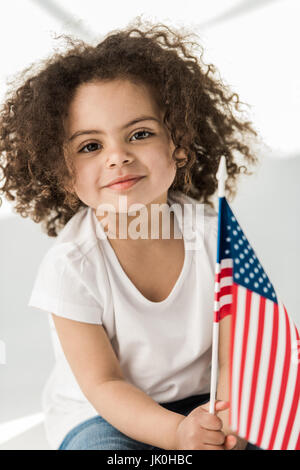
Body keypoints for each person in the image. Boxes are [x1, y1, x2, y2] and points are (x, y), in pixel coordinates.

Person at [0, 18, 261, 450]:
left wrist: (227, 415)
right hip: (103, 415)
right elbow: (102, 383)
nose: (118, 157)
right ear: (64, 175)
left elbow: (235, 353)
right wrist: (177, 434)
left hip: (206, 399)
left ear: (178, 144)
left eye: (139, 134)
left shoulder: (217, 237)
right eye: (90, 146)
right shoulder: (72, 266)